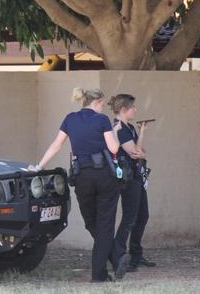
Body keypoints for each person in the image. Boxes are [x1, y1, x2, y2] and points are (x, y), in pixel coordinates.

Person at [29, 87, 128, 282]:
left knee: (91, 222)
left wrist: (39, 166)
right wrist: (115, 131)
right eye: (102, 104)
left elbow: (57, 145)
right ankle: (111, 261)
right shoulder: (102, 120)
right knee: (105, 224)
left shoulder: (70, 118)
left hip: (81, 176)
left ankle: (113, 260)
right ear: (97, 102)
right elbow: (114, 148)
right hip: (105, 176)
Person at [108, 94, 156, 272]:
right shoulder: (120, 129)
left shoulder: (129, 128)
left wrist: (141, 133)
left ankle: (136, 254)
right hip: (127, 178)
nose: (136, 110)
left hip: (136, 175)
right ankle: (120, 255)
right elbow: (135, 153)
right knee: (130, 216)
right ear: (123, 110)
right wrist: (140, 152)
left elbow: (139, 150)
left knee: (142, 215)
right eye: (132, 107)